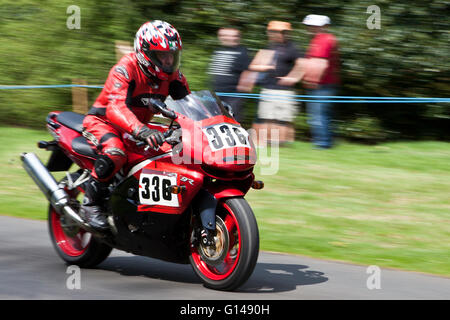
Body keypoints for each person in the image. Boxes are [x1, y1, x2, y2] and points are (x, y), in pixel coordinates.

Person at [80, 20, 191, 231]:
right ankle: (90, 204)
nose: (168, 61)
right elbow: (115, 107)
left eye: (172, 55)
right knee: (115, 152)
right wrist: (142, 130)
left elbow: (189, 106)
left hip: (138, 127)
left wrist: (208, 121)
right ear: (145, 52)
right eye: (162, 55)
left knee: (176, 153)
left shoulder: (173, 76)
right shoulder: (126, 68)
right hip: (104, 123)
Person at [248, 21, 303, 146]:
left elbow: (302, 65)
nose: (276, 35)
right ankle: (263, 143)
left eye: (280, 32)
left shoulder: (292, 48)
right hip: (268, 88)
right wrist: (266, 67)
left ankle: (279, 145)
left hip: (284, 91)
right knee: (265, 116)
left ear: (287, 34)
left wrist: (293, 78)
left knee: (282, 119)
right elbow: (253, 66)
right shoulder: (269, 47)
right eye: (273, 32)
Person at [302, 14, 340, 149]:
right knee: (323, 115)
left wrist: (312, 80)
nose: (310, 28)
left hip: (322, 86)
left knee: (318, 115)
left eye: (313, 26)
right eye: (310, 26)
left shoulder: (323, 39)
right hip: (326, 85)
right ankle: (326, 141)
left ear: (323, 27)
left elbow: (321, 63)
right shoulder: (321, 39)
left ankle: (322, 144)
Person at [208, 27, 251, 123]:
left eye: (231, 36)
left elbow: (248, 71)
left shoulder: (242, 51)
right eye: (223, 35)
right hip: (216, 94)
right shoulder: (218, 50)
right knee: (214, 121)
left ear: (237, 37)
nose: (226, 38)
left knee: (232, 122)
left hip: (233, 95)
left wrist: (243, 91)